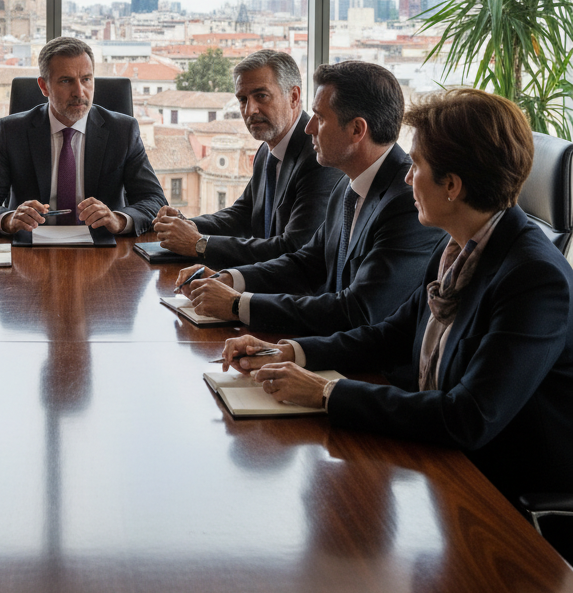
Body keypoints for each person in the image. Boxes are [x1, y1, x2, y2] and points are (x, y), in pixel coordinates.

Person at [220, 88, 573, 504]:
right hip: (440, 461)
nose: (407, 177)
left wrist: (324, 393)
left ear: (452, 186)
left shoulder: (534, 280)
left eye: (417, 165)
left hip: (501, 496)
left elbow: (468, 416)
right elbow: (391, 334)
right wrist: (289, 352)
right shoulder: (458, 246)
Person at [177, 61, 443, 335]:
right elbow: (305, 263)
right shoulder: (347, 186)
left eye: (321, 118)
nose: (309, 127)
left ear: (357, 130)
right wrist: (230, 279)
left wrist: (238, 305)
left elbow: (359, 310)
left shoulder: (406, 202)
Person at [0, 36, 166, 235]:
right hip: (30, 250)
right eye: (66, 81)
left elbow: (155, 200)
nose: (80, 92)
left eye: (86, 79)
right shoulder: (13, 131)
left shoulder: (123, 131)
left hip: (103, 249)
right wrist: (8, 219)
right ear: (44, 86)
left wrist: (119, 219)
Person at [152, 49, 337, 266]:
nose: (250, 110)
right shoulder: (267, 151)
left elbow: (293, 248)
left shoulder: (318, 157)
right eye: (242, 99)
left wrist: (199, 243)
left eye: (261, 96)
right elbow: (243, 214)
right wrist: (184, 225)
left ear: (294, 97)